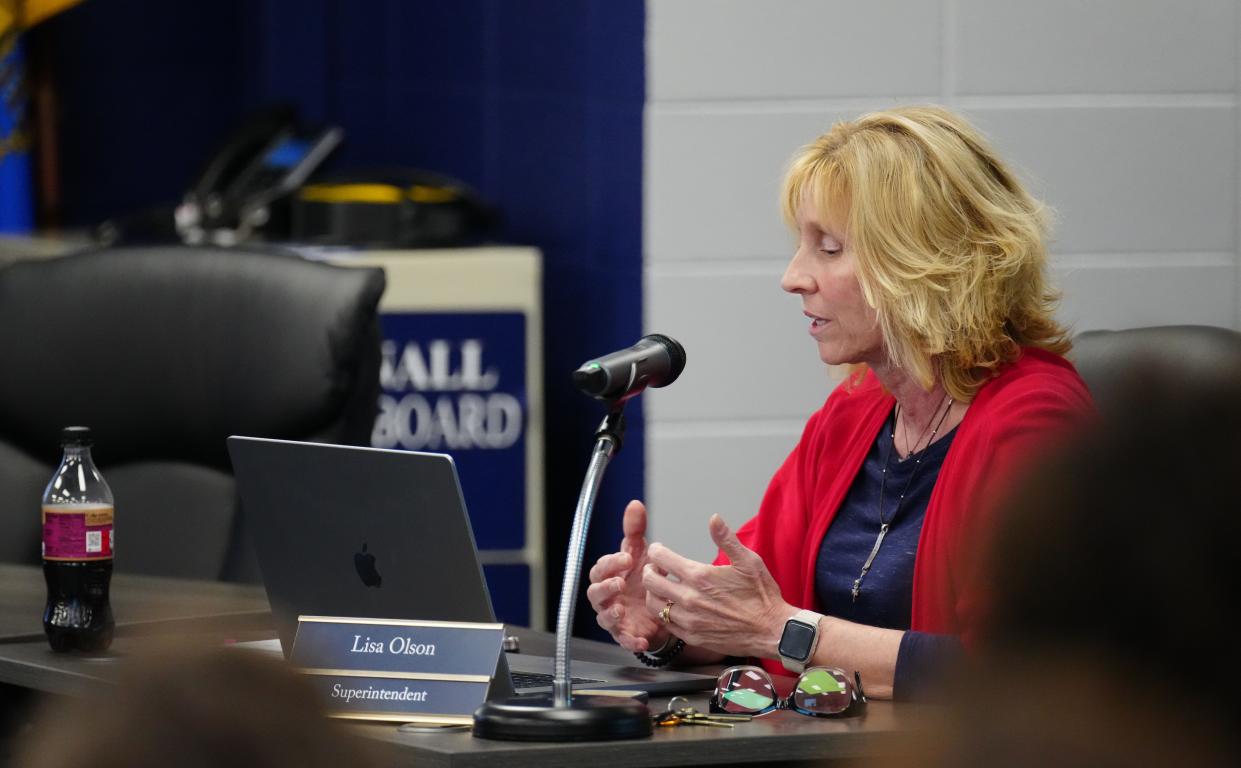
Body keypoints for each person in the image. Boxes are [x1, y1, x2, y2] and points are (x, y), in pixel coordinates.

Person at [587, 105, 1094, 701]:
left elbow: (1022, 671)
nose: (793, 277)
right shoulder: (855, 412)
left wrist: (785, 633)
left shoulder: (1036, 426)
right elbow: (753, 609)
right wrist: (670, 621)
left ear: (926, 264)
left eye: (828, 249)